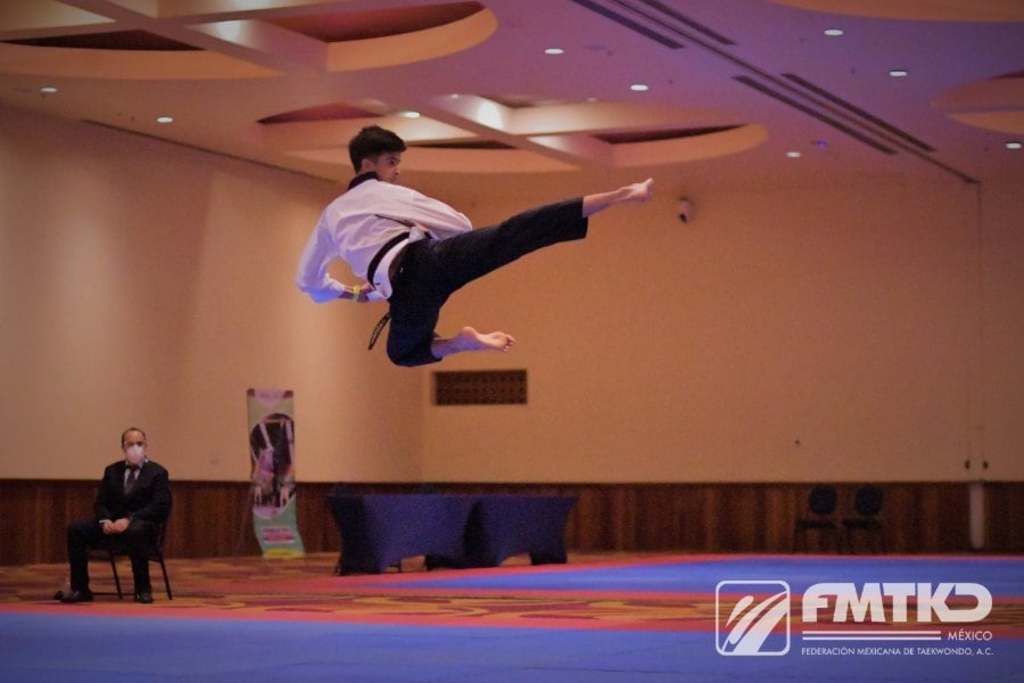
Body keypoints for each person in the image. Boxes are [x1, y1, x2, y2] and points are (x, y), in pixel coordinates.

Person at [296, 125, 653, 367]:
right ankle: (617, 196)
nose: (397, 171)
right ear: (367, 164)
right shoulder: (389, 192)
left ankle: (459, 343)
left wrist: (354, 295)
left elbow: (307, 280)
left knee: (402, 354)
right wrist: (426, 234)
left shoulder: (330, 216)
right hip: (428, 262)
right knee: (515, 234)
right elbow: (460, 225)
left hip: (404, 291)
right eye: (392, 162)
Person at [59, 427, 171, 604]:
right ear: (123, 447)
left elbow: (160, 507)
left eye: (139, 444)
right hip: (111, 527)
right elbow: (101, 502)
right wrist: (105, 521)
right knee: (76, 529)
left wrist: (129, 519)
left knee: (136, 531)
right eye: (130, 444)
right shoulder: (112, 471)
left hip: (141, 526)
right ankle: (80, 589)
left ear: (146, 446)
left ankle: (143, 590)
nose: (135, 448)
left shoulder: (157, 473)